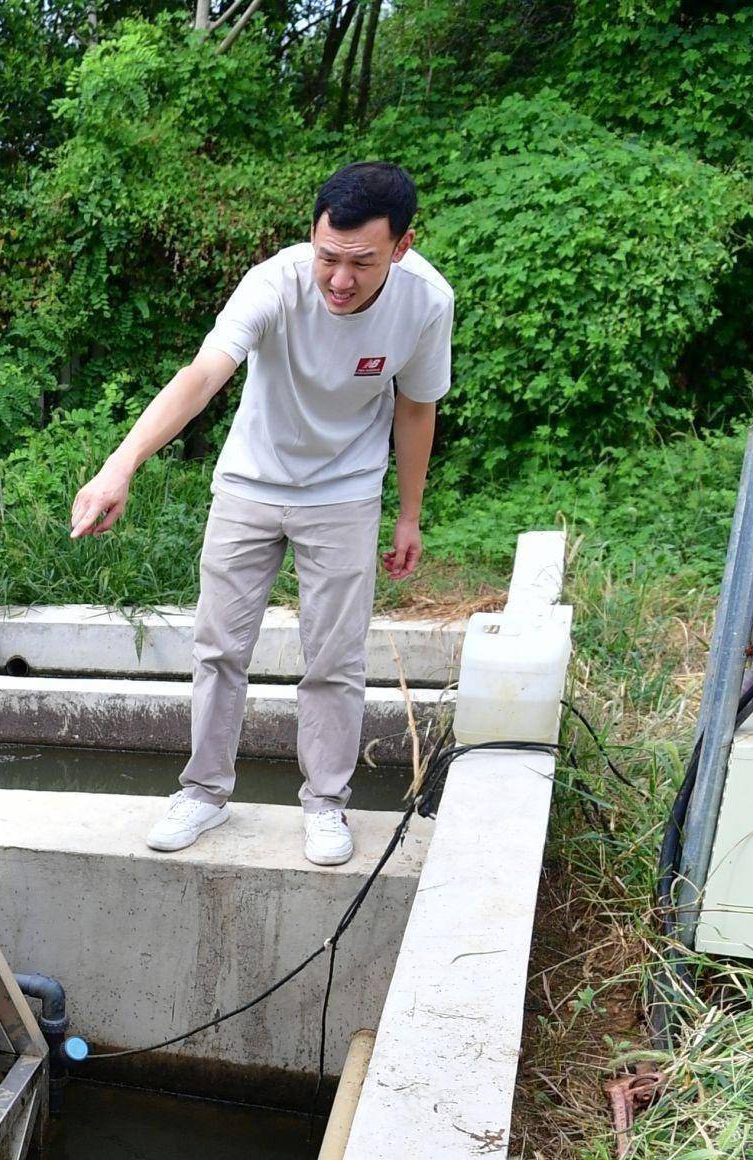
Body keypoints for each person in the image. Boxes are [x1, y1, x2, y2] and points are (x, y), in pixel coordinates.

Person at [69, 161, 452, 866]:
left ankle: (326, 805)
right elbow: (203, 374)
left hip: (345, 491)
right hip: (250, 481)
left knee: (334, 659)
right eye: (327, 257)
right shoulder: (274, 282)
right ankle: (204, 792)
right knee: (219, 645)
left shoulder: (426, 302)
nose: (338, 279)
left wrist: (409, 514)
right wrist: (120, 465)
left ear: (401, 247)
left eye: (361, 264)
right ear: (311, 234)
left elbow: (417, 406)